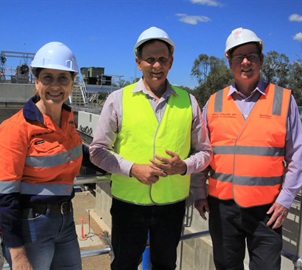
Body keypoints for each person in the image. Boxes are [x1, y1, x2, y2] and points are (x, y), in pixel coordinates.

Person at [90, 26, 212, 270]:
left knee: (165, 265)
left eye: (162, 59)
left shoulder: (189, 102)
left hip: (172, 206)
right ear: (138, 62)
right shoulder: (118, 99)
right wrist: (133, 169)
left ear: (171, 62)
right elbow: (97, 151)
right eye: (150, 59)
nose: (157, 66)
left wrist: (184, 167)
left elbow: (205, 152)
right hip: (128, 206)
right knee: (124, 265)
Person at [191, 27, 302, 270]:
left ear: (261, 60)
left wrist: (285, 201)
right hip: (222, 208)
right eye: (238, 57)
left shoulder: (283, 99)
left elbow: (297, 156)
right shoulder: (214, 101)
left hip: (266, 211)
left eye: (252, 56)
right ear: (229, 62)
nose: (245, 62)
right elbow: (203, 152)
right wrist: (199, 192)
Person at [0, 41, 86, 270]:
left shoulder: (68, 121)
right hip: (31, 226)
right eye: (47, 78)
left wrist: (125, 166)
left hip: (66, 221)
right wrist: (18, 253)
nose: (55, 85)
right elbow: (4, 197)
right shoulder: (16, 128)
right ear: (36, 81)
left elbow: (78, 154)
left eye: (63, 77)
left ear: (72, 83)